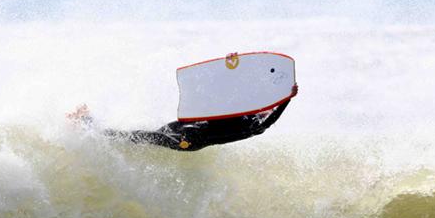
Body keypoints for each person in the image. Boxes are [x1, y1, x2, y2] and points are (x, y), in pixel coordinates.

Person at [67, 57, 297, 151]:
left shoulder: (254, 126)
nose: (265, 107)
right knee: (148, 134)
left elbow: (268, 122)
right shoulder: (241, 108)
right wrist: (233, 65)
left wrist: (286, 101)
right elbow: (230, 85)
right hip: (188, 124)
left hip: (190, 140)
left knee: (145, 137)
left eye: (270, 107)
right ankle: (93, 129)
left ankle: (91, 130)